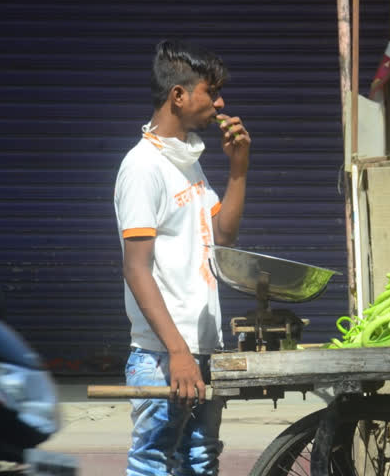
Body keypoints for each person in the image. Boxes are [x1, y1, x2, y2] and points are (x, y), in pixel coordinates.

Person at [114, 39, 250, 475]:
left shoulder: (188, 162)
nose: (220, 102)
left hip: (200, 349)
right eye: (211, 91)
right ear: (179, 95)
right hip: (163, 355)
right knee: (154, 463)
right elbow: (136, 269)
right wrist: (177, 353)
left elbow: (222, 236)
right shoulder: (142, 168)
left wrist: (238, 171)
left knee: (199, 462)